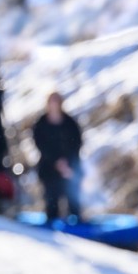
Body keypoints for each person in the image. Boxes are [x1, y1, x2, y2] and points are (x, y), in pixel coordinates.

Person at [30, 92, 84, 222]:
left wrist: (67, 164)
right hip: (49, 170)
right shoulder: (41, 124)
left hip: (69, 168)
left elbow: (76, 142)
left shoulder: (70, 123)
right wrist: (56, 161)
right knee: (52, 202)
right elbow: (40, 144)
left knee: (73, 202)